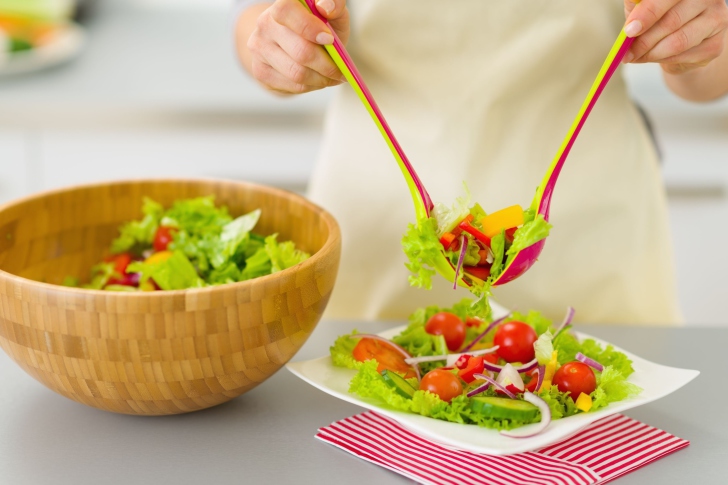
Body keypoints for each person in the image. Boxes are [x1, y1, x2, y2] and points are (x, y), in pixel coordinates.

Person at [234, 0, 728, 325]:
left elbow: (706, 79)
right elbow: (256, 20)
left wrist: (696, 40)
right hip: (373, 236)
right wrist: (279, 45)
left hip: (593, 243)